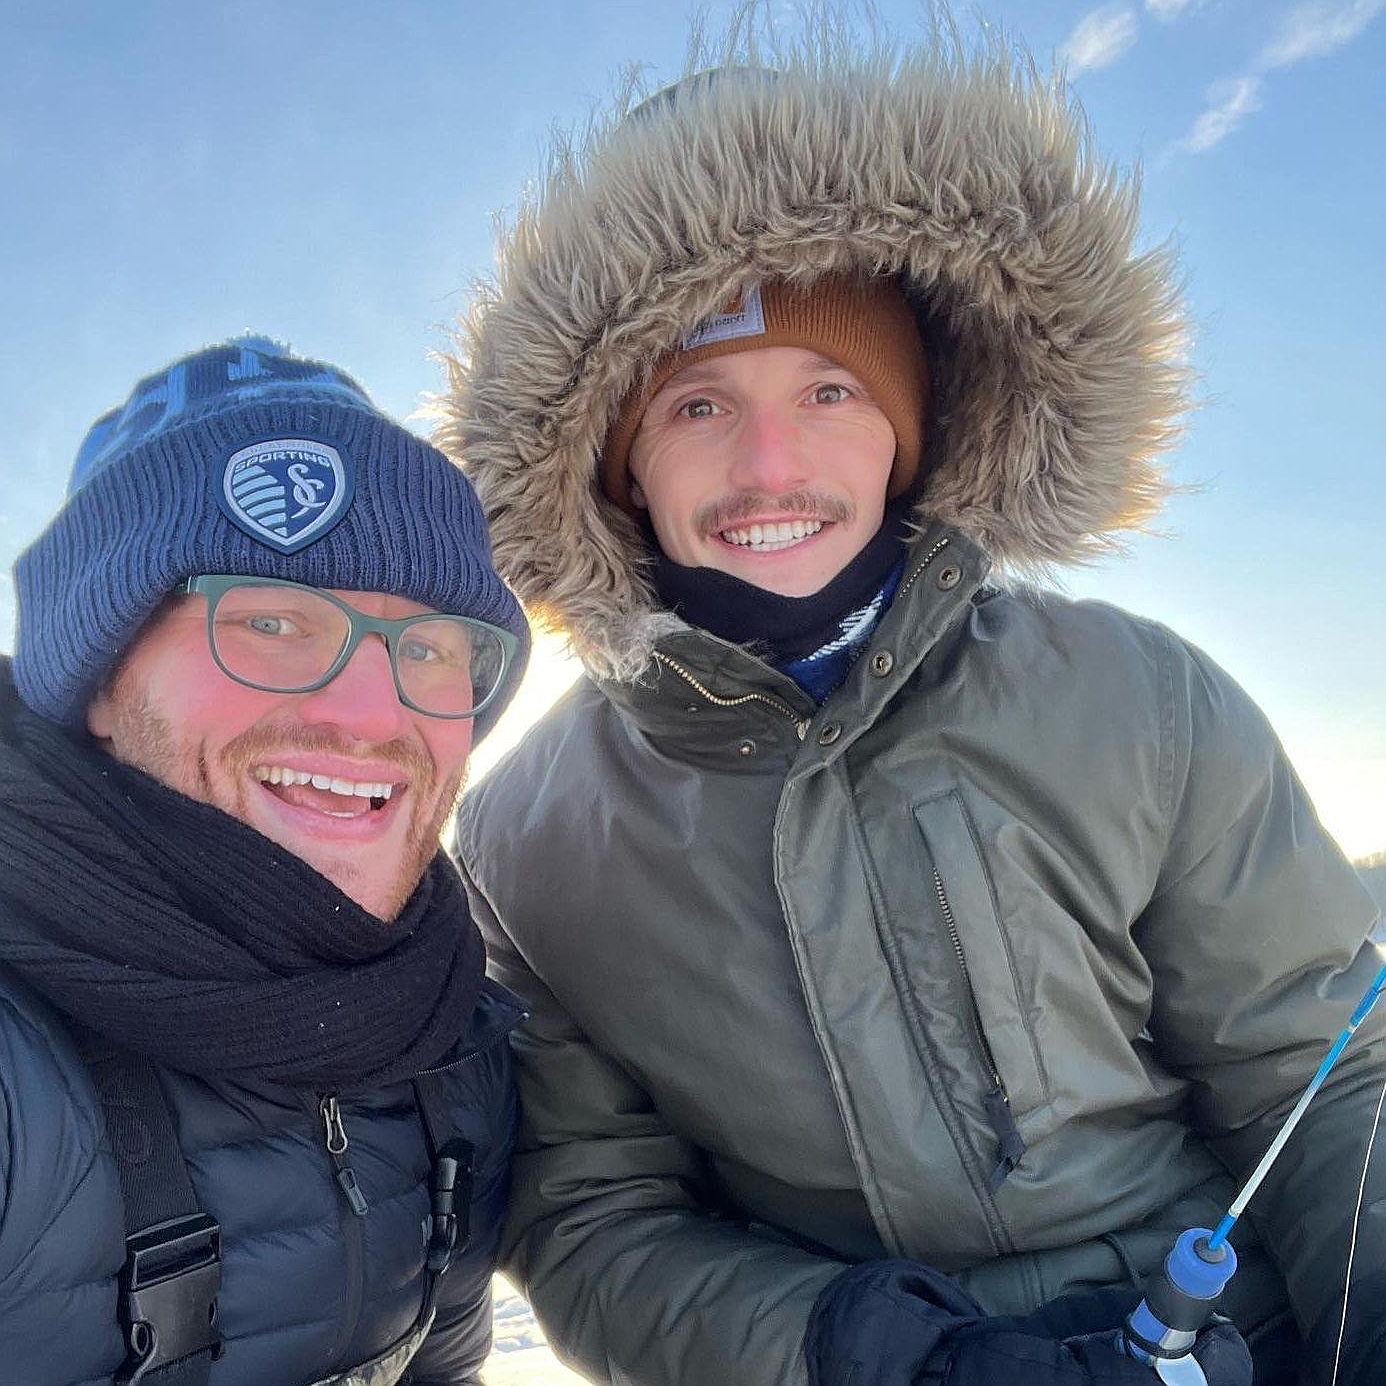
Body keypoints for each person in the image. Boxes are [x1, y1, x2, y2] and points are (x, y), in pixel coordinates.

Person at [437, 22, 1385, 1386]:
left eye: (830, 391)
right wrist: (880, 1352)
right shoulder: (531, 838)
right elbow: (592, 1219)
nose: (770, 464)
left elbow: (1319, 1077)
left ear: (912, 429)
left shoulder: (1137, 696)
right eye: (698, 405)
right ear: (619, 460)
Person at [0, 336, 530, 1385]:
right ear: (97, 683)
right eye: (274, 621)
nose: (373, 716)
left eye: (427, 646)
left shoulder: (455, 1029)